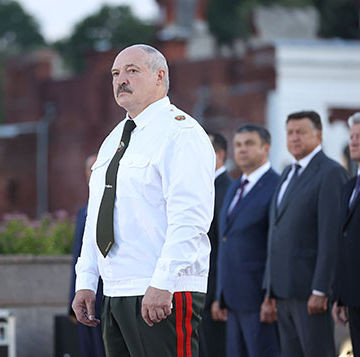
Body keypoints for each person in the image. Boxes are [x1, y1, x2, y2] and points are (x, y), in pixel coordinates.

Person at [72, 44, 215, 356]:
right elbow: (97, 213)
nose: (121, 80)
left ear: (160, 76)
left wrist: (163, 282)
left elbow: (190, 219)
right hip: (116, 289)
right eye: (115, 74)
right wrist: (86, 280)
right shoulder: (114, 139)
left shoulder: (182, 133)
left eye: (132, 71)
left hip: (163, 290)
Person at [262, 110, 348, 357]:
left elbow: (330, 235)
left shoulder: (330, 173)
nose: (294, 138)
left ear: (319, 135)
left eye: (301, 132)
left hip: (310, 293)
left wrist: (321, 289)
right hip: (283, 291)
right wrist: (270, 289)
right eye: (290, 133)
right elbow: (276, 230)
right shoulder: (288, 173)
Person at [213, 124, 280, 357]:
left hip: (259, 297)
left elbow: (275, 245)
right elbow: (225, 240)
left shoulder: (277, 186)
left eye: (249, 144)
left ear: (266, 149)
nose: (242, 150)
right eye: (238, 145)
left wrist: (270, 294)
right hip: (232, 298)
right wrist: (219, 293)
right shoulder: (234, 187)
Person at [68, 153, 105, 357]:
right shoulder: (84, 211)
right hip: (86, 293)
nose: (93, 174)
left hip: (106, 293)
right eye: (90, 170)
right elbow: (78, 258)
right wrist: (72, 301)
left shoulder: (113, 209)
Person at [198, 133, 231, 357]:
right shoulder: (203, 188)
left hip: (214, 293)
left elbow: (221, 247)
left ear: (219, 155)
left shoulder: (227, 188)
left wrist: (219, 295)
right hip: (199, 289)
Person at [332, 112, 360, 356]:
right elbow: (343, 241)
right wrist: (339, 296)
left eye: (359, 137)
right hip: (352, 297)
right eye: (352, 136)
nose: (353, 142)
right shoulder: (349, 187)